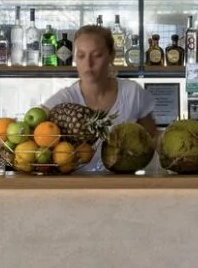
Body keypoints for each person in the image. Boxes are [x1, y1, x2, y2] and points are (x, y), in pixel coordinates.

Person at [44, 25, 158, 172]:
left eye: (97, 55)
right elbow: (33, 134)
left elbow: (154, 138)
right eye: (81, 56)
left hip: (124, 187)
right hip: (76, 189)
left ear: (111, 56)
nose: (88, 63)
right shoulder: (64, 99)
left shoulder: (132, 93)